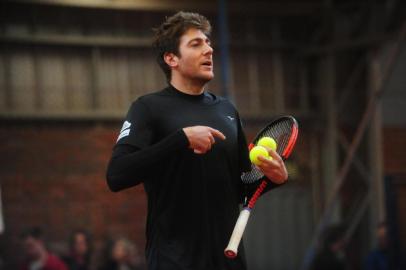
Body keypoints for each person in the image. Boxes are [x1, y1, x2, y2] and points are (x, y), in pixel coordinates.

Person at [105, 11, 288, 270]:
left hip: (228, 258)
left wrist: (273, 179)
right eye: (196, 44)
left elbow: (240, 187)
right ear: (171, 59)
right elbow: (117, 175)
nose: (209, 50)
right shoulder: (148, 108)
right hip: (174, 260)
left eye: (208, 42)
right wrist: (181, 139)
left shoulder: (227, 110)